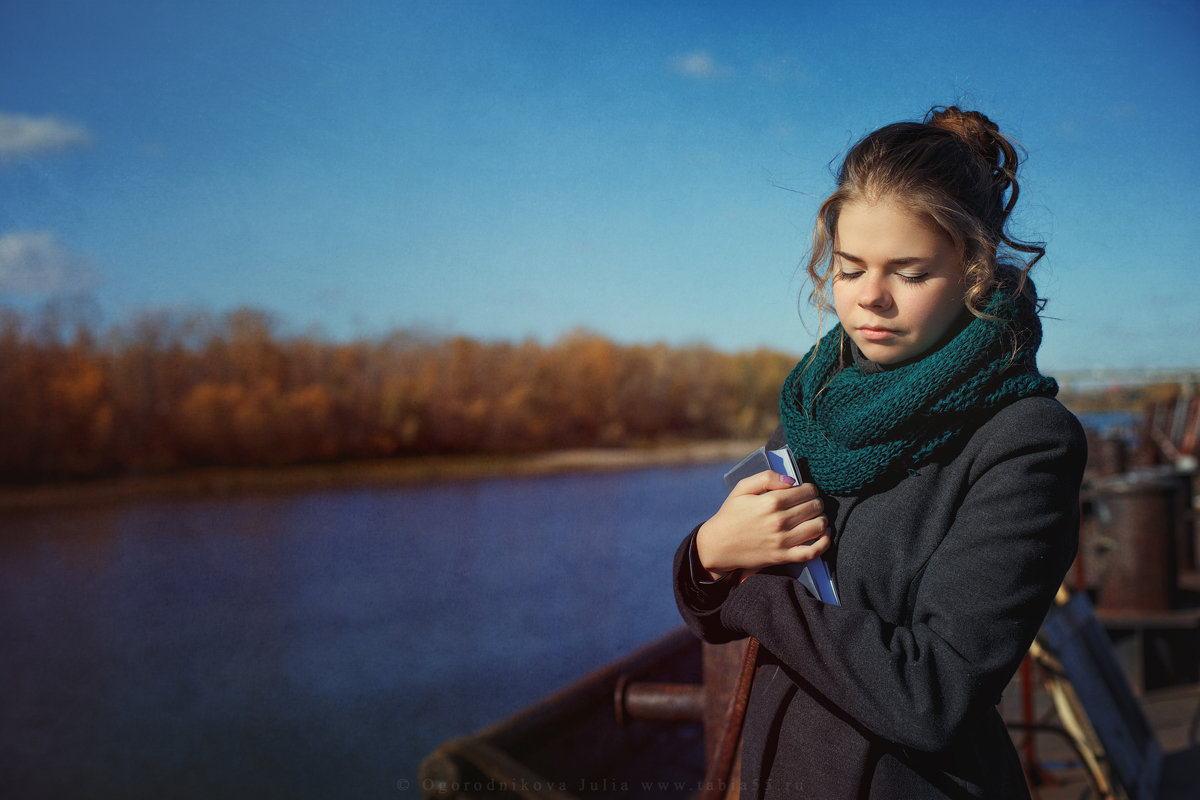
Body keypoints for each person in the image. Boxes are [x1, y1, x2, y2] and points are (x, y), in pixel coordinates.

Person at [673, 106, 1087, 799]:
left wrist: (757, 593)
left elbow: (932, 694)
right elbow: (708, 613)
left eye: (910, 272)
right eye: (851, 267)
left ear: (973, 270)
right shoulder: (817, 407)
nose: (870, 298)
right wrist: (711, 553)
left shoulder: (1025, 441)